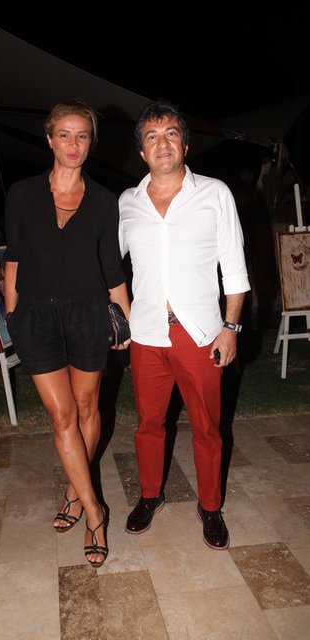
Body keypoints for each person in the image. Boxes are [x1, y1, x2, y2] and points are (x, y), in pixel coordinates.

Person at [118, 99, 250, 550]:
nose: (162, 144)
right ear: (142, 151)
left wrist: (231, 328)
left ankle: (210, 506)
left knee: (208, 427)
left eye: (171, 134)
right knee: (148, 424)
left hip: (201, 334)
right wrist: (117, 314)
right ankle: (149, 495)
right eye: (152, 137)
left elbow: (235, 270)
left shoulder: (214, 194)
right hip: (146, 334)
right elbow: (108, 264)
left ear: (186, 145)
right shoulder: (128, 203)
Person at [3, 100, 130, 568]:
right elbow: (13, 259)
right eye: (65, 134)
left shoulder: (104, 200)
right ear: (49, 138)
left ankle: (74, 493)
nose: (73, 144)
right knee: (62, 416)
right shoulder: (21, 194)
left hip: (88, 316)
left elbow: (112, 269)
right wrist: (12, 317)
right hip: (36, 319)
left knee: (87, 407)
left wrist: (125, 323)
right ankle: (95, 511)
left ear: (90, 142)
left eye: (82, 136)